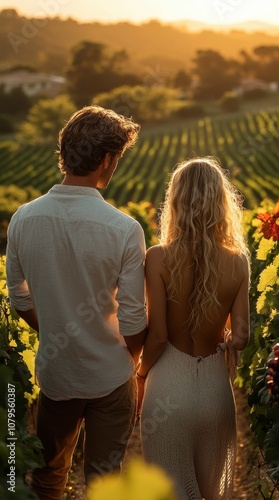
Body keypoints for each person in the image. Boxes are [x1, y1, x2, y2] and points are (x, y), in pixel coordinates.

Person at [6, 105, 147, 500]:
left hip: (56, 374)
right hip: (110, 375)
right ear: (106, 160)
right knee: (104, 482)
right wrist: (129, 359)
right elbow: (134, 319)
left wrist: (54, 327)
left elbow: (19, 297)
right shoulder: (124, 229)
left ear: (65, 153)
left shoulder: (22, 218)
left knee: (48, 475)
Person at [137, 157, 250, 500]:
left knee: (170, 493)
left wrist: (140, 375)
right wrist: (227, 338)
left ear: (176, 201)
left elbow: (157, 336)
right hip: (216, 393)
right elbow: (242, 337)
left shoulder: (157, 257)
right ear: (221, 202)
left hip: (168, 390)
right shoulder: (238, 260)